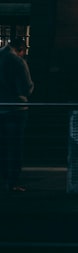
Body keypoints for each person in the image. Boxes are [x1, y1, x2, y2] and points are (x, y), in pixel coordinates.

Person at [0, 38, 34, 193]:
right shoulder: (17, 62)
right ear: (21, 49)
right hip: (15, 108)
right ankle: (12, 182)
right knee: (14, 146)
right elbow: (25, 88)